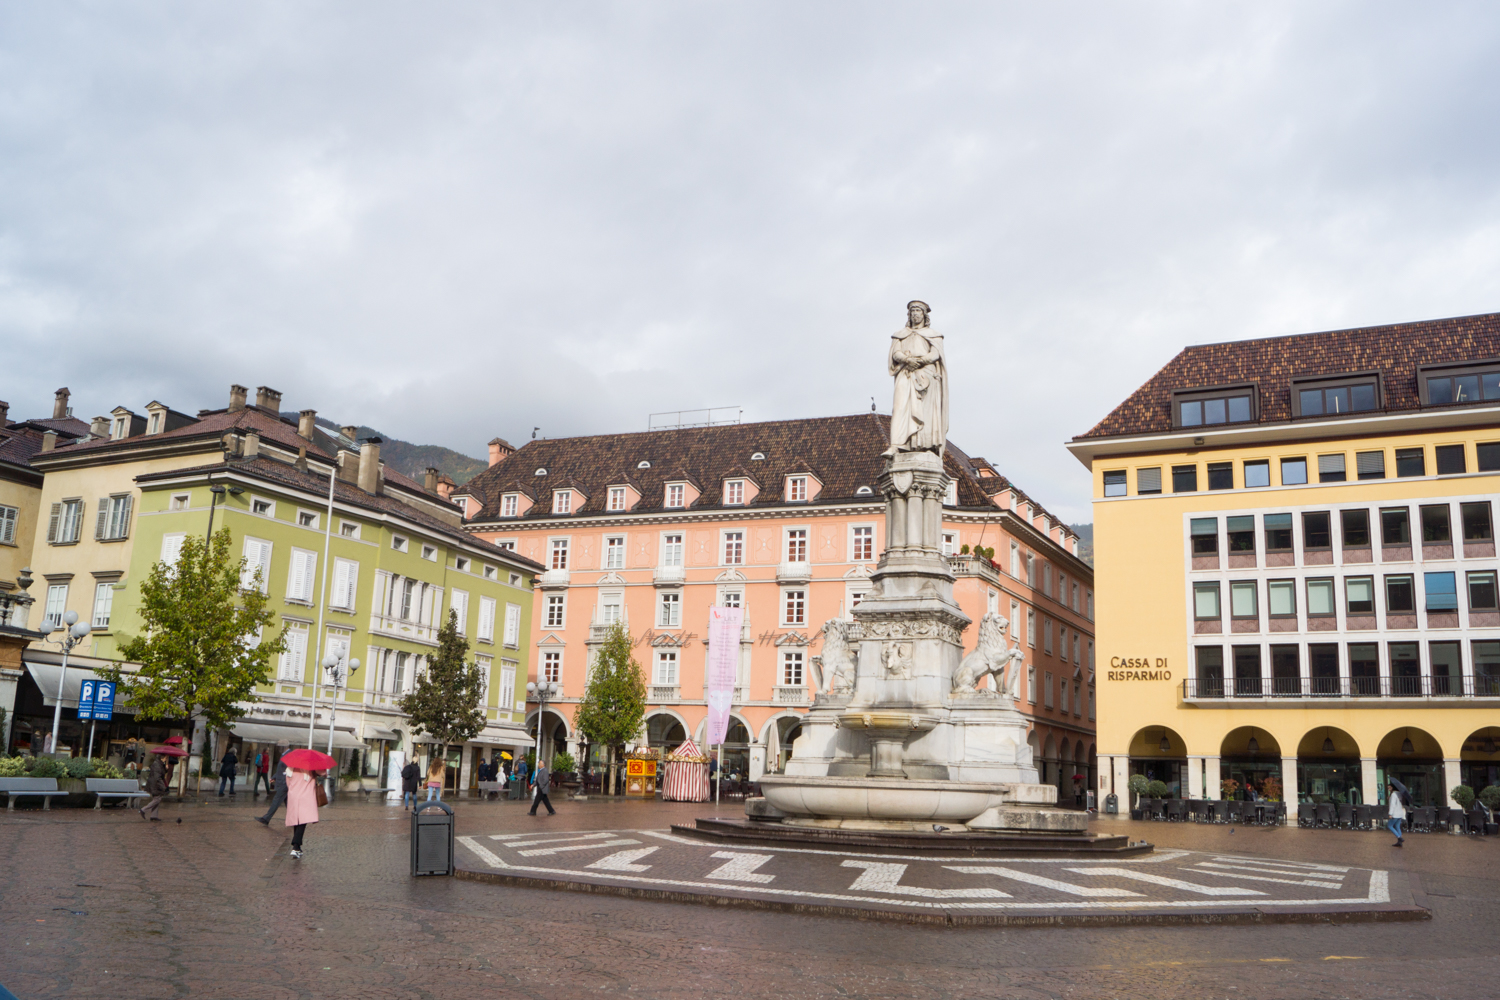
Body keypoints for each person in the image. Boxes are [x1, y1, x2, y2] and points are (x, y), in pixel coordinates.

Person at [283, 766, 320, 859]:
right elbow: (323, 773)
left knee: (297, 820)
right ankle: (295, 845)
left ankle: (298, 848)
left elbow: (288, 784)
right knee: (302, 821)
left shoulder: (289, 770)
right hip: (306, 797)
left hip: (293, 796)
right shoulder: (309, 770)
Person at [256, 754, 290, 825]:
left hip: (285, 783)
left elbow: (284, 771)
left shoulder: (288, 756)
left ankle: (266, 818)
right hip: (286, 783)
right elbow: (281, 770)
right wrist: (274, 777)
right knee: (288, 803)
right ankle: (295, 820)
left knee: (277, 800)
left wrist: (275, 777)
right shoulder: (285, 755)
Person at [138, 754, 168, 821]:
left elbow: (161, 774)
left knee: (157, 799)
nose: (166, 759)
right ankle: (143, 810)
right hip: (155, 785)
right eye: (166, 757)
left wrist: (166, 769)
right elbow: (158, 778)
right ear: (162, 757)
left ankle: (154, 816)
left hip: (155, 784)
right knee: (157, 799)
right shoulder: (157, 765)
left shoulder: (160, 764)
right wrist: (163, 787)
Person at [1387, 779, 1410, 846]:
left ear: (1393, 787)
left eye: (1389, 787)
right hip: (1400, 813)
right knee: (1397, 826)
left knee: (1390, 825)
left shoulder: (1393, 795)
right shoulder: (1399, 793)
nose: (1388, 789)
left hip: (1395, 813)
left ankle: (1399, 837)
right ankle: (1399, 842)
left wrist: (1390, 813)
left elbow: (1393, 804)